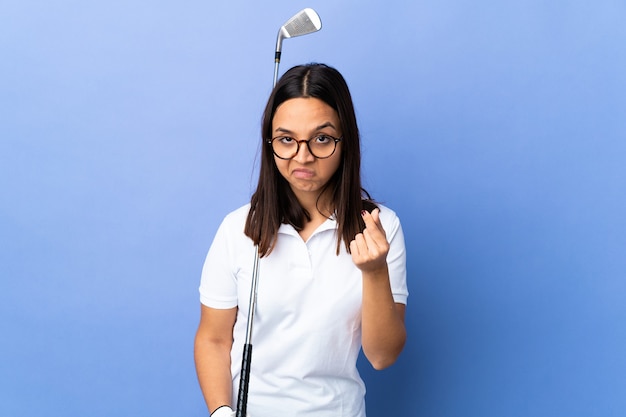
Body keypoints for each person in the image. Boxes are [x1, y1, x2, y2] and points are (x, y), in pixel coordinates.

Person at [194, 63, 408, 417]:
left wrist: (374, 272)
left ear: (345, 141)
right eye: (287, 140)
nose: (303, 156)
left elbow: (382, 356)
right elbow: (213, 339)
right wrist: (221, 412)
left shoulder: (379, 227)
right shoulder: (238, 229)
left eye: (322, 138)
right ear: (270, 142)